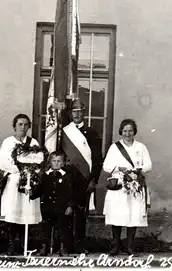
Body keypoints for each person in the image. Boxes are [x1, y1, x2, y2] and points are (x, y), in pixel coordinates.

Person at [102, 119, 152, 256]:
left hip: (135, 185)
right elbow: (106, 166)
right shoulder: (114, 147)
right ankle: (115, 246)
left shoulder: (141, 147)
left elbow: (149, 165)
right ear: (121, 131)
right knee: (117, 215)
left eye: (130, 130)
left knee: (133, 214)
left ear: (134, 131)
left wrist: (137, 170)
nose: (127, 133)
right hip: (119, 185)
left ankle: (130, 247)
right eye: (125, 131)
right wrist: (119, 168)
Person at [60, 98, 103, 253]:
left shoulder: (92, 133)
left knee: (80, 215)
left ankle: (79, 246)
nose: (77, 114)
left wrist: (94, 179)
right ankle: (66, 246)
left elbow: (98, 158)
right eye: (74, 111)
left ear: (84, 113)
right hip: (67, 179)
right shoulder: (64, 131)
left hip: (84, 179)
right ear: (70, 113)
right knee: (65, 214)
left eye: (80, 111)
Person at [0, 114, 42, 255]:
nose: (23, 127)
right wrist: (19, 169)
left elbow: (38, 161)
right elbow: (3, 162)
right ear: (14, 126)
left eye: (26, 124)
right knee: (12, 214)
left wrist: (28, 171)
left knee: (25, 213)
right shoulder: (8, 142)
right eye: (20, 124)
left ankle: (23, 244)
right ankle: (12, 244)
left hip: (28, 182)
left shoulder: (33, 142)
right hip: (13, 181)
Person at [30, 151, 74, 256]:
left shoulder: (67, 176)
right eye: (54, 161)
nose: (56, 163)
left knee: (63, 228)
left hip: (62, 207)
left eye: (59, 161)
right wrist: (31, 192)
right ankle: (44, 248)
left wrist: (70, 206)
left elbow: (72, 193)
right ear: (50, 162)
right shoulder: (45, 175)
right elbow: (40, 189)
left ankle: (63, 249)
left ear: (63, 163)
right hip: (47, 206)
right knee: (46, 228)